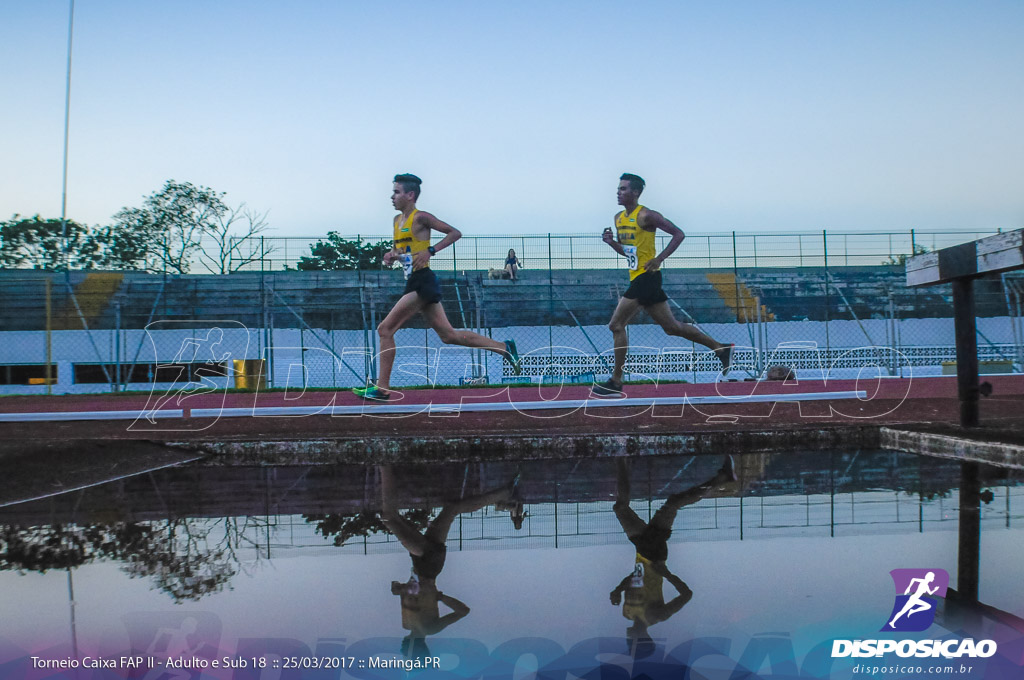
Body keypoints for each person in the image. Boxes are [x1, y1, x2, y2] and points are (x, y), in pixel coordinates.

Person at [354, 174, 521, 401]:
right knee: (448, 335)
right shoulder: (396, 221)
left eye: (396, 192)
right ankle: (504, 347)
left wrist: (431, 251)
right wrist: (392, 256)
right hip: (414, 279)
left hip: (423, 280)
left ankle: (382, 388)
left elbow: (455, 233)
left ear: (410, 195)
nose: (392, 196)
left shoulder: (421, 217)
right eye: (393, 192)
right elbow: (402, 251)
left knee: (385, 329)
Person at [592, 173, 733, 398]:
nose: (618, 192)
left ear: (636, 193)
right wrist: (612, 244)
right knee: (672, 328)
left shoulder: (647, 215)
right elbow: (629, 252)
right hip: (639, 277)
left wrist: (660, 258)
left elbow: (679, 234)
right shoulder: (618, 218)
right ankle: (720, 348)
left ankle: (616, 382)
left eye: (624, 189)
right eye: (618, 188)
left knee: (616, 325)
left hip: (647, 278)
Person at [379, 465, 521, 658]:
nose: (402, 649)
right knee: (389, 518)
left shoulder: (407, 624)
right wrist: (441, 597)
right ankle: (385, 465)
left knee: (452, 508)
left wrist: (400, 588)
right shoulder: (430, 628)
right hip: (427, 565)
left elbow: (415, 594)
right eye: (406, 652)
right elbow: (463, 611)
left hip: (427, 565)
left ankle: (505, 494)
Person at [609, 456, 738, 650]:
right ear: (643, 637)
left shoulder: (627, 613)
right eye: (631, 642)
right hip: (654, 553)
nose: (628, 639)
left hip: (641, 552)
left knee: (659, 504)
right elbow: (686, 594)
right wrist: (666, 573)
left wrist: (619, 589)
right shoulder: (656, 616)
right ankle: (621, 460)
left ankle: (722, 479)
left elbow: (636, 579)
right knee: (632, 507)